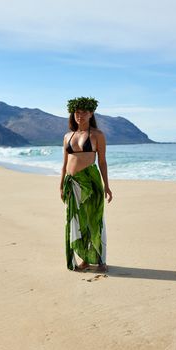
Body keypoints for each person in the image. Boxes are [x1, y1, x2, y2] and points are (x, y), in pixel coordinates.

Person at [60, 97, 112, 272]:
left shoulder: (97, 135)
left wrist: (107, 185)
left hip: (90, 182)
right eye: (77, 112)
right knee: (76, 222)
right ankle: (84, 258)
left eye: (83, 112)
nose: (79, 115)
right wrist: (61, 185)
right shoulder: (68, 136)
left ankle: (100, 259)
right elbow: (64, 163)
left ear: (91, 114)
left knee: (94, 220)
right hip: (72, 183)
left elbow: (102, 162)